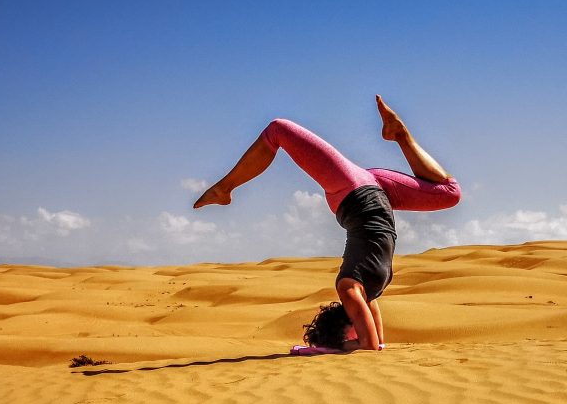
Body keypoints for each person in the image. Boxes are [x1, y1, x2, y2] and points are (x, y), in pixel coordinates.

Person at [193, 95, 461, 352]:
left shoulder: (349, 288)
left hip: (352, 191)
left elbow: (368, 344)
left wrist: (334, 347)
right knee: (450, 193)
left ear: (344, 328)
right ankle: (399, 135)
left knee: (278, 129)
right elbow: (376, 343)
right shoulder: (366, 294)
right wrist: (345, 345)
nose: (360, 328)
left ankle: (224, 189)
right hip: (377, 193)